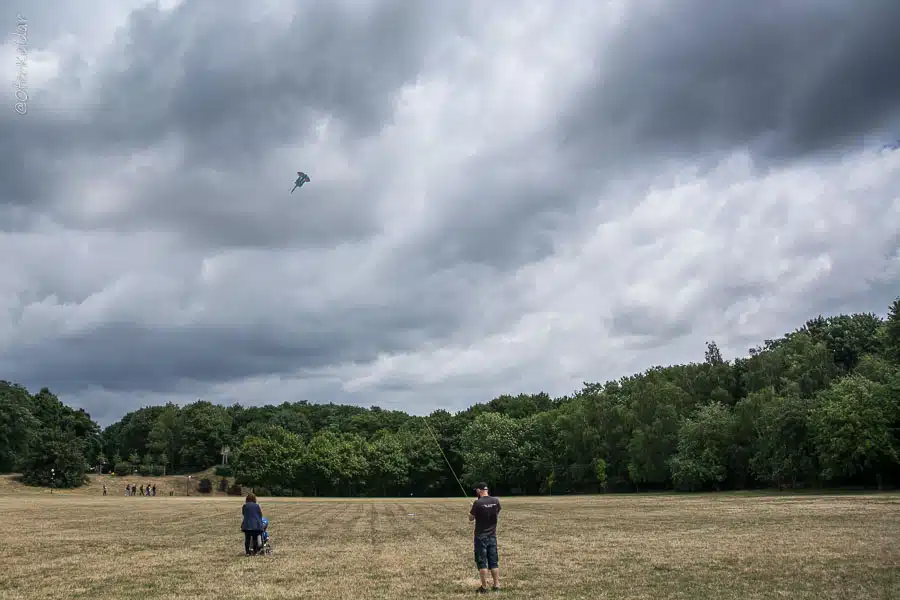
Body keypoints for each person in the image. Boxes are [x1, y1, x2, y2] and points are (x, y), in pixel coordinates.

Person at [469, 482, 501, 593]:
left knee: (482, 562)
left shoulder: (477, 503)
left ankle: (484, 587)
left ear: (479, 490)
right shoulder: (496, 501)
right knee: (494, 562)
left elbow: (471, 518)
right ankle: (496, 585)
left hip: (480, 537)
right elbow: (497, 513)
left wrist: (473, 508)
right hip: (492, 535)